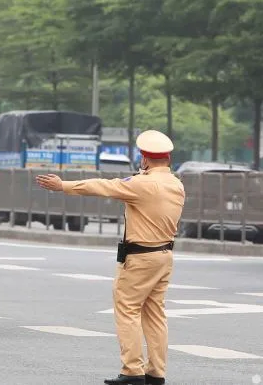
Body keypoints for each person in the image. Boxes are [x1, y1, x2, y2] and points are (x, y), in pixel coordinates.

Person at [35, 130, 185, 385]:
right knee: (155, 314)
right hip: (164, 256)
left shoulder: (143, 184)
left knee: (127, 309)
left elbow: (103, 186)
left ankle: (132, 371)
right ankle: (156, 373)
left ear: (146, 160)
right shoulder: (176, 184)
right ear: (168, 159)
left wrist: (63, 186)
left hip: (140, 259)